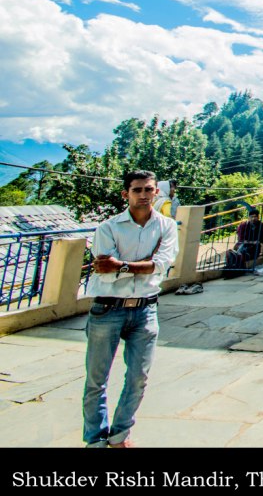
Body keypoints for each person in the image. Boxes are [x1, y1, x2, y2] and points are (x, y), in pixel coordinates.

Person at [83, 169, 177, 448]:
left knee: (138, 378)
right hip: (107, 310)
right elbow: (104, 273)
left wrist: (122, 265)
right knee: (96, 381)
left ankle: (119, 436)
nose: (144, 195)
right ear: (126, 194)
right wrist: (143, 266)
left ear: (156, 192)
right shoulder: (108, 228)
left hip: (146, 311)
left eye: (149, 189)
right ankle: (95, 440)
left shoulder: (167, 227)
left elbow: (162, 265)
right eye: (137, 190)